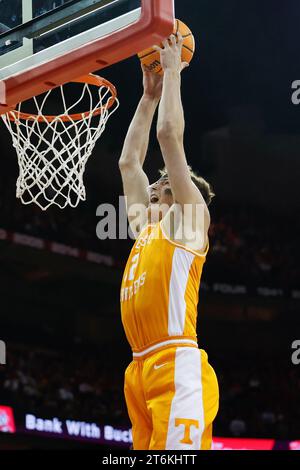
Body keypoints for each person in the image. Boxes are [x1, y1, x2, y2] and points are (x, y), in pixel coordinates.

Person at [119, 33, 219, 450]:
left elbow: (169, 139)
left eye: (166, 183)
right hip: (139, 369)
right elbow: (128, 162)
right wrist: (147, 97)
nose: (159, 181)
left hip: (177, 363)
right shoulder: (147, 228)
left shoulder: (189, 222)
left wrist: (174, 71)